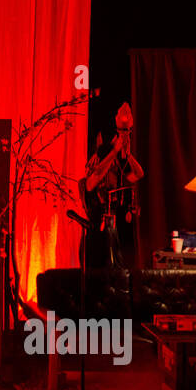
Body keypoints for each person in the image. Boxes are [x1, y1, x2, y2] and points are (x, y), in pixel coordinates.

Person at [80, 103, 145, 270]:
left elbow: (138, 174)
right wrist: (114, 152)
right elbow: (95, 177)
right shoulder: (92, 179)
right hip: (96, 235)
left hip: (113, 233)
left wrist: (127, 154)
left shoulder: (117, 179)